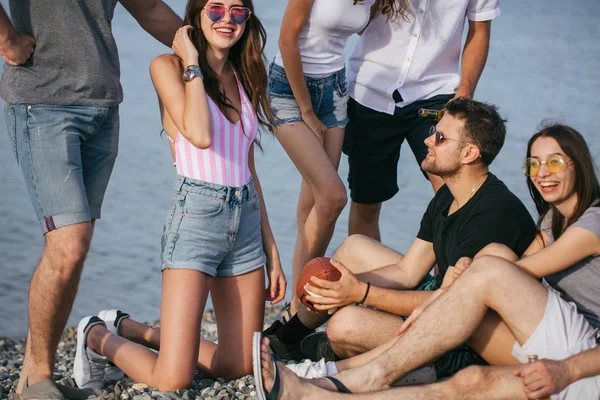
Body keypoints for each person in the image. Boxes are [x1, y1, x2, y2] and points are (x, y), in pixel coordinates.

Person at [255, 123, 600, 400]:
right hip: (543, 331)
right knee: (469, 380)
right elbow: (414, 270)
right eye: (533, 164)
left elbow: (518, 271)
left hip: (566, 346)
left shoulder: (590, 223)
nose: (542, 173)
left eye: (554, 162)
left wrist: (365, 292)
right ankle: (307, 361)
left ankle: (339, 371)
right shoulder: (550, 223)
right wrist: (464, 280)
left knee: (491, 266)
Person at [71, 0, 286, 391]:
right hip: (196, 220)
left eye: (238, 11)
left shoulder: (246, 75)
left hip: (246, 219)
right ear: (196, 15)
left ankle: (137, 329)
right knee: (172, 381)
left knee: (239, 366)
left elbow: (248, 168)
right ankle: (97, 335)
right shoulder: (167, 67)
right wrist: (190, 59)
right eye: (215, 9)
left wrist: (271, 249)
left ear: (248, 19)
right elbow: (200, 136)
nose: (227, 19)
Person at [263, 98, 537, 381]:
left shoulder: (492, 217)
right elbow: (408, 271)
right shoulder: (451, 194)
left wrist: (360, 293)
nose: (428, 140)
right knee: (354, 248)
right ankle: (287, 339)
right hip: (442, 304)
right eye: (434, 131)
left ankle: (338, 351)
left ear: (469, 153)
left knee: (345, 325)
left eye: (440, 137)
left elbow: (449, 308)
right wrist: (345, 283)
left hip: (465, 344)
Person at [0, 2, 182, 399]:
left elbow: (149, 8)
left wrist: (208, 53)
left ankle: (31, 380)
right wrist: (7, 38)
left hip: (101, 106)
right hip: (43, 102)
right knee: (69, 247)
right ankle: (40, 376)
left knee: (68, 249)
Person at [268, 0, 407, 319]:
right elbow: (286, 39)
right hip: (289, 89)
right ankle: (304, 298)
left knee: (315, 203)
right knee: (332, 198)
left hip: (335, 90)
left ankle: (296, 306)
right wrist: (305, 109)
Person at [344, 0, 500, 241]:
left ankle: (446, 278)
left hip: (436, 94)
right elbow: (355, 18)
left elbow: (479, 28)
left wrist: (465, 91)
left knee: (453, 195)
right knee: (367, 203)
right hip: (370, 91)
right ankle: (367, 277)